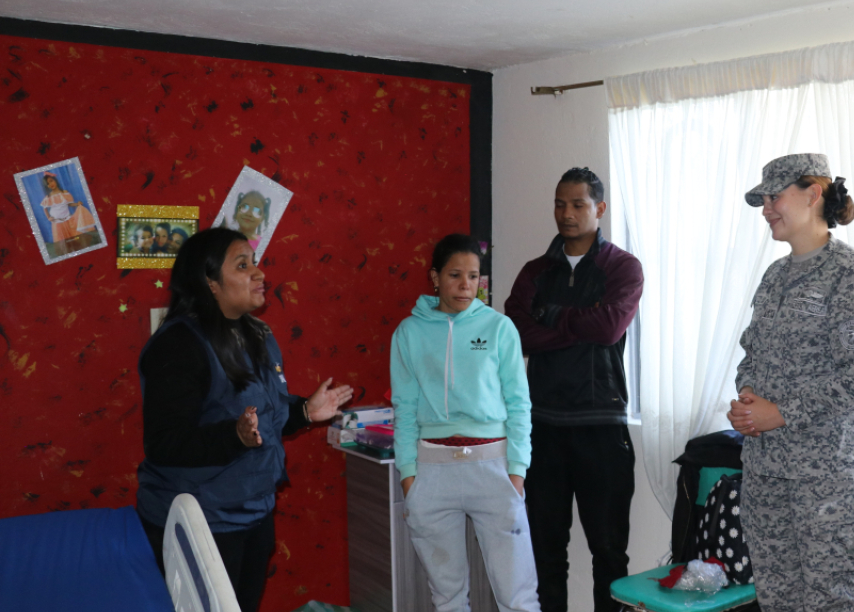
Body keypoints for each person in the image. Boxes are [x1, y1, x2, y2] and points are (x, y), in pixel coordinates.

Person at [135, 228, 353, 612]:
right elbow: (165, 443)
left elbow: (262, 417)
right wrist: (233, 436)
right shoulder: (178, 344)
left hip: (253, 512)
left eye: (254, 262)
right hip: (199, 524)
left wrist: (304, 411)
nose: (259, 273)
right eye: (243, 265)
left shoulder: (258, 335)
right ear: (210, 283)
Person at [726, 153, 854, 612]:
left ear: (813, 193)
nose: (767, 209)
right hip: (766, 469)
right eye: (763, 201)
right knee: (776, 599)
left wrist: (780, 412)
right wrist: (748, 398)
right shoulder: (775, 275)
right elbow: (751, 351)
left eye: (774, 196)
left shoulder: (853, 274)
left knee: (827, 602)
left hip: (828, 476)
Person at [505, 167, 644, 612]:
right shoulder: (533, 272)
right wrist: (577, 321)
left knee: (608, 554)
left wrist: (549, 316)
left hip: (601, 426)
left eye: (578, 204)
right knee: (545, 555)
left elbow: (607, 329)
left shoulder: (622, 267)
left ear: (599, 209)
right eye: (560, 204)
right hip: (542, 428)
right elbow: (516, 336)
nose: (566, 213)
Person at [392, 233, 539, 612]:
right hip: (432, 471)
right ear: (435, 277)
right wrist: (410, 476)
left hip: (493, 466)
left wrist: (517, 472)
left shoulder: (499, 328)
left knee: (518, 596)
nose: (465, 285)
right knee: (447, 598)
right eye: (455, 275)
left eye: (474, 276)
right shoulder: (409, 333)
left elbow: (519, 404)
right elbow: (404, 408)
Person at [39, 171, 96, 242]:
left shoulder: (64, 193)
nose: (51, 184)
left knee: (74, 237)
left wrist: (76, 204)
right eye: (48, 183)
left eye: (51, 181)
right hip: (57, 222)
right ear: (47, 186)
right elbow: (45, 208)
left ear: (55, 180)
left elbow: (69, 204)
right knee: (63, 240)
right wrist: (48, 217)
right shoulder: (48, 197)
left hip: (68, 219)